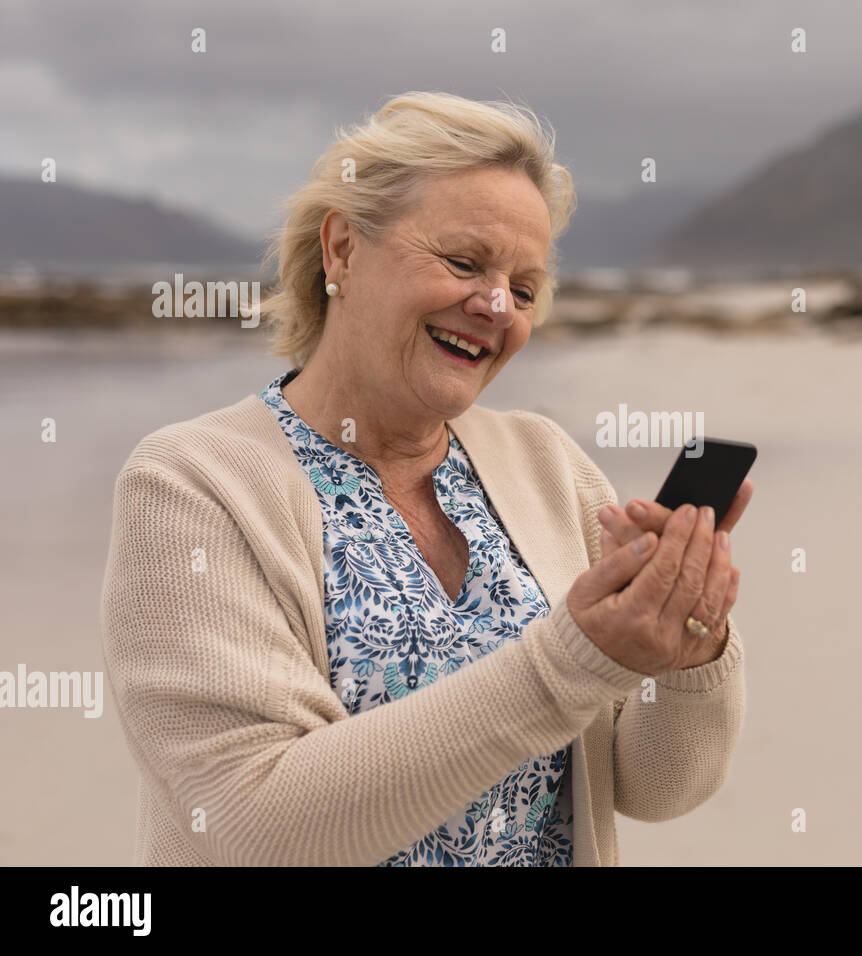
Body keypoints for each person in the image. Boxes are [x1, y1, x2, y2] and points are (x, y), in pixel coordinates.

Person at [100, 90, 752, 866]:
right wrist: (571, 661)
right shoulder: (191, 486)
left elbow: (657, 786)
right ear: (341, 249)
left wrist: (687, 649)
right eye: (463, 261)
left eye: (526, 287)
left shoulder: (547, 464)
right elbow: (253, 823)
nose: (496, 304)